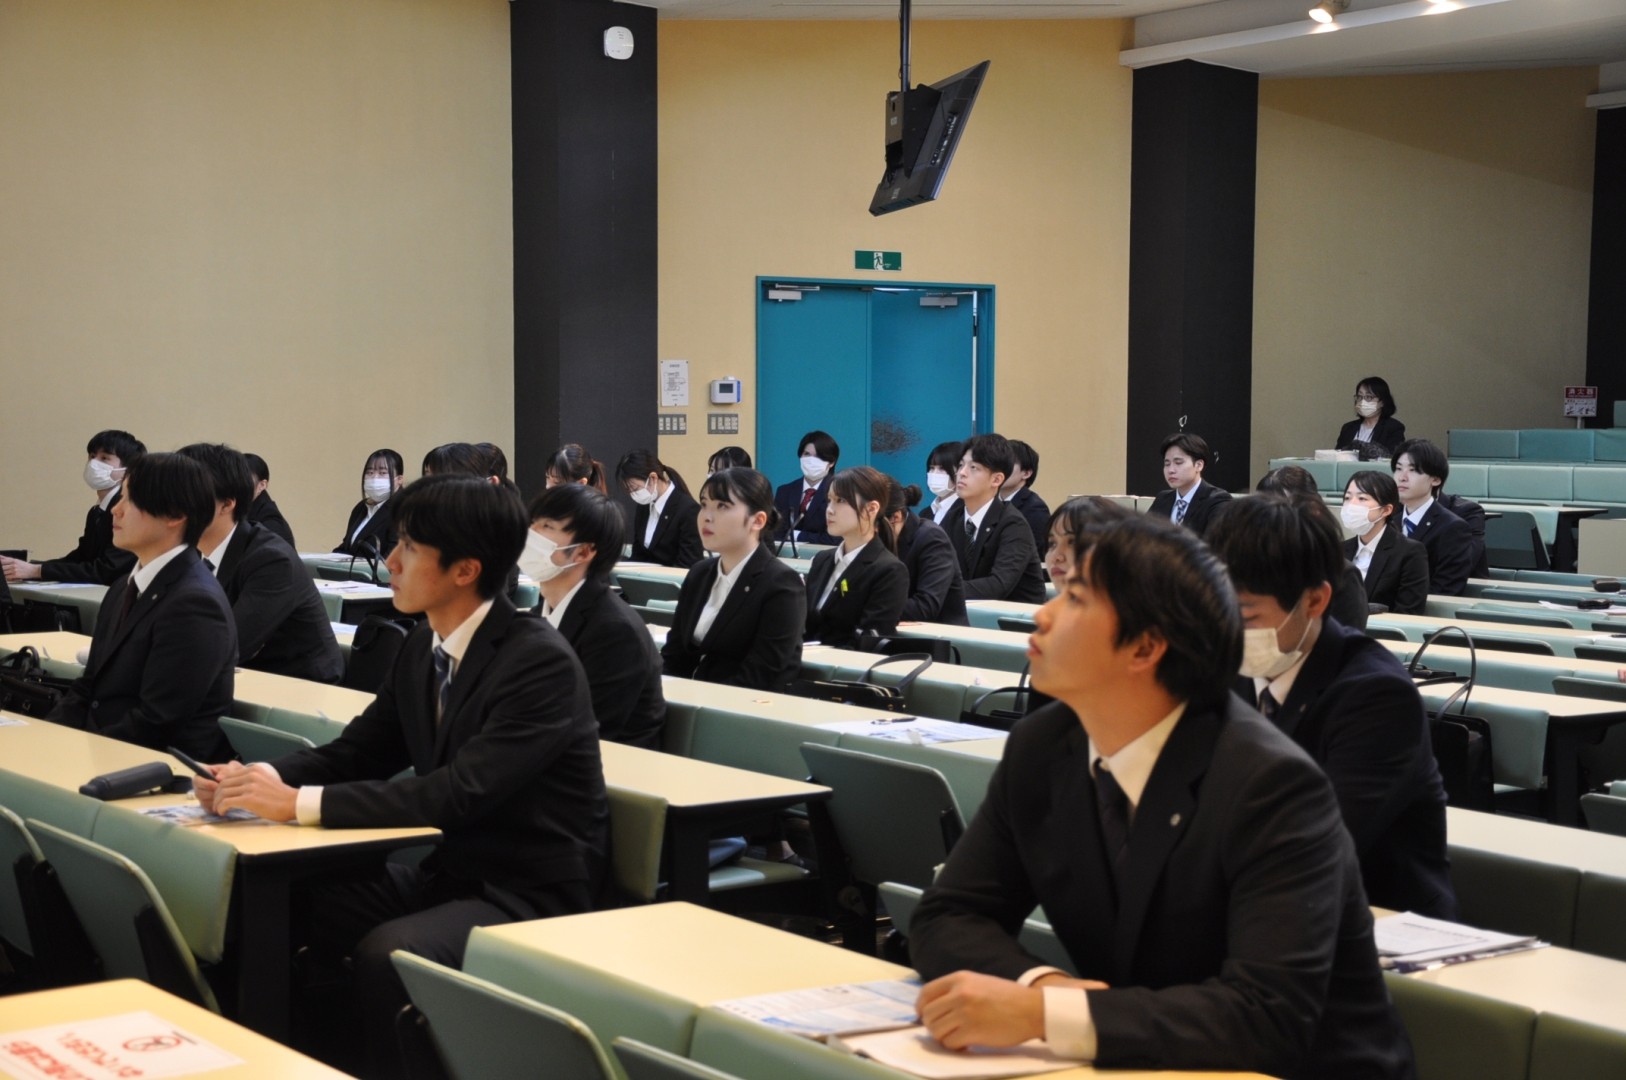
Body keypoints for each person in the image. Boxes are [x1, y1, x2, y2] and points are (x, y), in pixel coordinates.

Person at [908, 515, 1415, 1078]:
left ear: (1145, 647)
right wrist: (1046, 988)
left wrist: (1043, 1015)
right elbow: (948, 915)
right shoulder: (1043, 747)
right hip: (1149, 1057)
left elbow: (1266, 1017)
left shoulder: (1270, 784)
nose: (1042, 614)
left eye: (1075, 599)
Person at [198, 475, 608, 1079]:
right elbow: (357, 753)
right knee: (268, 897)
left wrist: (296, 803)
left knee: (391, 954)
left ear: (465, 570)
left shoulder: (537, 660)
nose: (389, 561)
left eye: (409, 548)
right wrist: (254, 777)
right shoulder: (422, 647)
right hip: (450, 874)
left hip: (527, 891)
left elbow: (459, 792)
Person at [1206, 493, 1457, 918]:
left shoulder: (1377, 696)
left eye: (1246, 616)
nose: (1229, 630)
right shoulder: (1224, 669)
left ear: (1314, 602)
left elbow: (1315, 842)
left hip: (1376, 917)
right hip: (1255, 900)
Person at [47, 452, 236, 763]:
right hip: (106, 750)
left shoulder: (195, 603)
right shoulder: (123, 587)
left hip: (159, 767)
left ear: (175, 514)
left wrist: (78, 754)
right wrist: (47, 739)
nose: (116, 510)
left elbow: (159, 720)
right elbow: (87, 686)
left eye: (130, 499)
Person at [178, 443, 345, 684]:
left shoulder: (271, 559)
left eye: (184, 493)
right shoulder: (187, 552)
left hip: (300, 685)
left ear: (227, 503)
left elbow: (230, 645)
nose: (169, 505)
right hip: (242, 675)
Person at [524, 483, 666, 748]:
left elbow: (587, 731)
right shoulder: (536, 616)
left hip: (606, 765)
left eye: (547, 526)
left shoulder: (615, 631)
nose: (530, 534)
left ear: (584, 551)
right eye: (532, 523)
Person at [663, 467, 805, 690]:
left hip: (743, 705)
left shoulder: (782, 584)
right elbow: (675, 655)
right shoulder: (699, 573)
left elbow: (762, 675)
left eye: (722, 506)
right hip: (691, 698)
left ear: (757, 521)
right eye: (704, 505)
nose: (706, 517)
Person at [3, 429, 146, 585]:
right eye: (92, 456)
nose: (93, 463)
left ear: (128, 469)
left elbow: (108, 570)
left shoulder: (129, 510)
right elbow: (81, 557)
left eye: (104, 458)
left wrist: (37, 571)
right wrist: (29, 568)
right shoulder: (96, 511)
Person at [804, 467, 909, 648]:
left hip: (844, 664)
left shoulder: (890, 571)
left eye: (841, 500)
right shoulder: (822, 560)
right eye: (829, 500)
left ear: (871, 508)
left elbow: (869, 641)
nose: (830, 510)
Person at [1254, 465, 1369, 630]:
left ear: (1314, 510)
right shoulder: (1248, 567)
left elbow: (1347, 641)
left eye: (1283, 509)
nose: (1274, 520)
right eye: (1265, 511)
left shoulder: (1341, 575)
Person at [941, 434, 1046, 603]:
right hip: (968, 611)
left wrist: (939, 589)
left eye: (973, 467)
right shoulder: (954, 517)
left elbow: (998, 585)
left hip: (1012, 615)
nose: (961, 473)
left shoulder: (1013, 524)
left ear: (996, 479)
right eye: (961, 465)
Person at [1391, 439, 1475, 596]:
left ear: (1435, 480)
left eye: (1413, 470)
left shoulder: (1452, 527)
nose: (1402, 477)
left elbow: (1446, 589)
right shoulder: (1389, 520)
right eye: (1398, 469)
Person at [1342, 470, 1430, 615]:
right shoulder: (1337, 550)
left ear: (1386, 510)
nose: (1351, 505)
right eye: (1347, 498)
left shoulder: (1410, 552)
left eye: (1362, 498)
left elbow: (1408, 611)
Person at [887, 480, 968, 626]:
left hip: (937, 635)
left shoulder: (931, 538)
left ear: (895, 517)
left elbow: (925, 606)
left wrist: (868, 608)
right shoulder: (858, 542)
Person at [617, 449, 705, 568]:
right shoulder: (643, 507)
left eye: (636, 488)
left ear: (653, 478)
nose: (633, 494)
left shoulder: (688, 510)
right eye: (629, 491)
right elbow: (638, 555)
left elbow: (689, 563)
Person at [1146, 433, 1231, 538]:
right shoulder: (1162, 499)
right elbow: (1144, 536)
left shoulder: (1217, 500)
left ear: (1199, 465)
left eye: (1178, 463)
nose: (1171, 470)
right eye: (1167, 464)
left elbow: (1214, 543)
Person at [773, 430, 840, 548]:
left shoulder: (839, 493)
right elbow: (775, 532)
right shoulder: (784, 491)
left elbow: (835, 538)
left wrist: (798, 536)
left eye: (819, 456)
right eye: (807, 454)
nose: (812, 460)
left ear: (831, 462)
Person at [335, 449, 403, 559]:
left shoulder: (403, 509)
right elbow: (348, 547)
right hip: (351, 569)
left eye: (382, 473)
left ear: (399, 479)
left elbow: (395, 555)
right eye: (370, 473)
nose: (375, 478)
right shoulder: (361, 507)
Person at [1336, 377, 1406, 459]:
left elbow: (1391, 458)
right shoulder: (1348, 428)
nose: (1362, 402)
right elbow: (1337, 455)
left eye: (1369, 397)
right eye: (1359, 397)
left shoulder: (1393, 428)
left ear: (1382, 402)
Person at [1000, 439, 1050, 551]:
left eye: (1008, 464)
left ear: (1026, 473)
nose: (1000, 469)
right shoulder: (989, 501)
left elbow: (1034, 552)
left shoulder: (1035, 508)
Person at [242, 452, 296, 550]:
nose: (236, 485)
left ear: (262, 485)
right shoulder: (239, 511)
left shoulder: (270, 521)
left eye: (244, 479)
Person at [919, 440, 963, 525]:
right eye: (932, 468)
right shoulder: (924, 514)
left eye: (942, 468)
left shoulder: (966, 512)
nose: (935, 473)